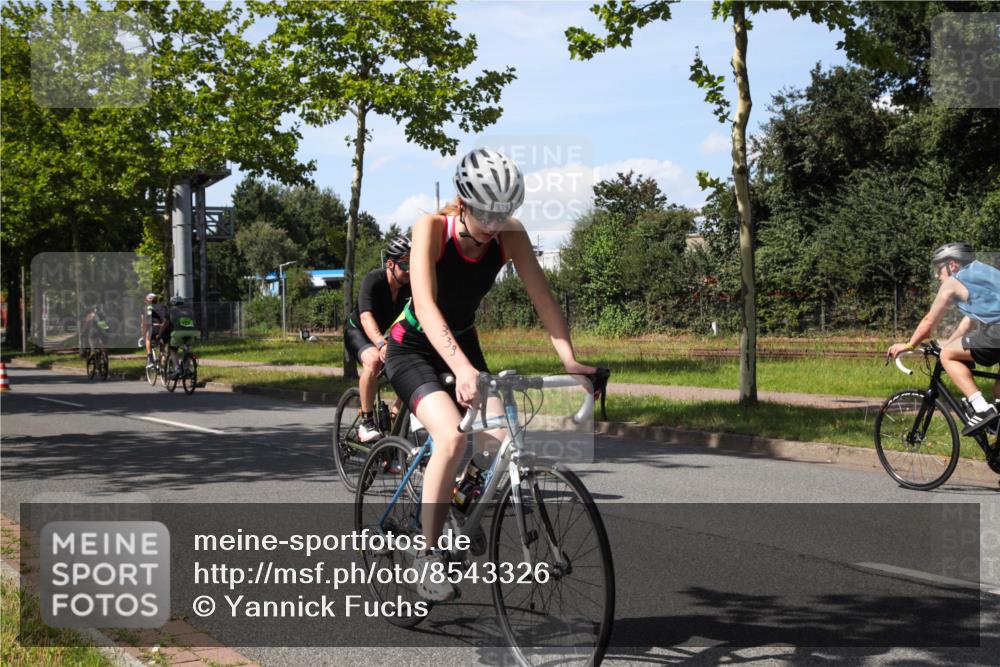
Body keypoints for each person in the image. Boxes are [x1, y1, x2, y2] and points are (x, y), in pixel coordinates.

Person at [384, 148, 598, 601]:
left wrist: (570, 361)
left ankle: (460, 502)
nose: (497, 222)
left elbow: (543, 299)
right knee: (452, 437)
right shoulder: (431, 229)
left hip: (461, 340)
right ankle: (426, 554)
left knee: (500, 440)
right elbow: (424, 305)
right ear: (463, 202)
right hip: (414, 345)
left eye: (506, 212)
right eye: (487, 212)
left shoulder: (510, 235)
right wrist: (461, 368)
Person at [887, 242, 1000, 435]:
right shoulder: (983, 274)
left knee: (947, 355)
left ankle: (981, 408)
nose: (936, 275)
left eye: (939, 269)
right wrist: (949, 343)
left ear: (952, 265)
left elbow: (929, 321)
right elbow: (968, 323)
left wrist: (909, 344)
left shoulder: (953, 282)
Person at [344, 236, 412, 442]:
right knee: (372, 361)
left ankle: (391, 424)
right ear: (390, 264)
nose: (409, 270)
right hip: (357, 331)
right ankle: (366, 422)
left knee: (412, 371)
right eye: (405, 264)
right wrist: (381, 343)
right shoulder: (373, 280)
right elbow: (366, 316)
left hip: (381, 336)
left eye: (413, 264)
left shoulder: (409, 288)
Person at [162, 296, 198, 378]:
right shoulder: (190, 311)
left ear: (172, 303)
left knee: (173, 349)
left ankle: (177, 369)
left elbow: (165, 325)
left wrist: (160, 334)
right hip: (192, 332)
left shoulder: (171, 311)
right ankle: (187, 368)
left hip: (178, 333)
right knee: (187, 349)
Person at [141, 293, 167, 366]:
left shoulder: (145, 308)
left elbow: (144, 323)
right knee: (161, 340)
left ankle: (150, 359)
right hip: (162, 327)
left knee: (147, 339)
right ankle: (163, 356)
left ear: (146, 300)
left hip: (152, 328)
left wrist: (143, 334)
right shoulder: (162, 306)